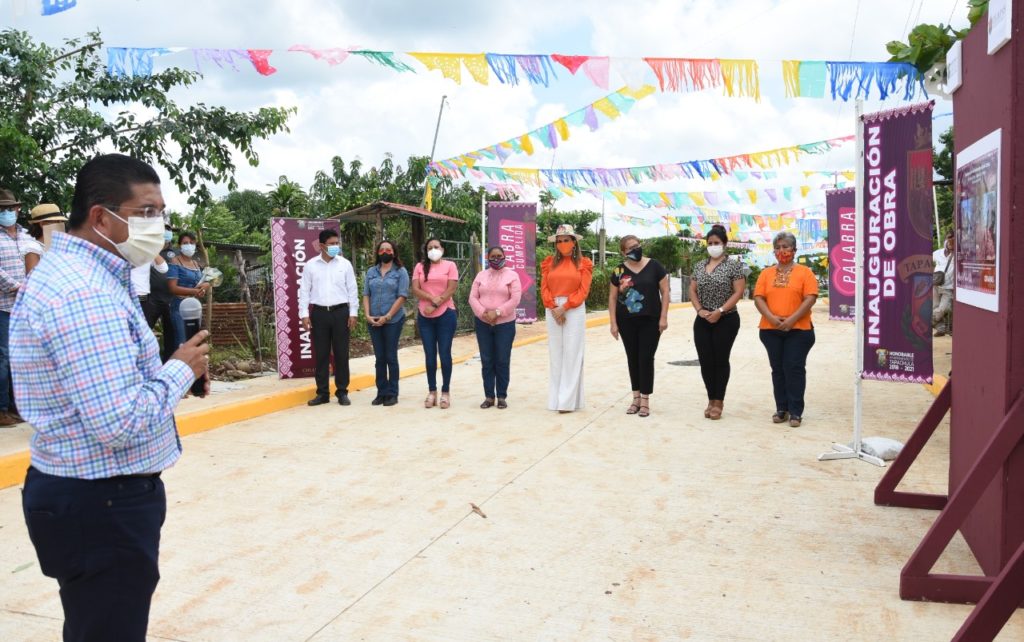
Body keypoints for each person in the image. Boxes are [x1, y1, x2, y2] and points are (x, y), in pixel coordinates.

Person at [10, 154, 210, 641]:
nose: (158, 226)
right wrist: (179, 370)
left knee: (94, 625)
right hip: (102, 503)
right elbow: (119, 423)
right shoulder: (84, 294)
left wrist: (169, 373)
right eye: (146, 212)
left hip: (89, 496)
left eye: (161, 212)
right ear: (101, 218)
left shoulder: (86, 276)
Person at [753, 232, 818, 427]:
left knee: (794, 367)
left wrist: (791, 320)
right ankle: (781, 408)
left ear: (794, 250)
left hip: (799, 329)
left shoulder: (805, 272)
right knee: (778, 369)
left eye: (786, 246)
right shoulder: (766, 273)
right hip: (770, 329)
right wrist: (772, 319)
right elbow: (758, 298)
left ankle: (796, 411)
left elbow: (810, 298)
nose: (782, 251)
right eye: (778, 247)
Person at [689, 225, 746, 420]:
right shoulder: (699, 265)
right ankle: (710, 398)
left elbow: (738, 291)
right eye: (710, 243)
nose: (713, 246)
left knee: (720, 360)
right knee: (706, 361)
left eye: (717, 243)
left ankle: (719, 401)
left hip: (726, 318)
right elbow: (692, 290)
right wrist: (700, 310)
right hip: (703, 318)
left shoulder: (733, 266)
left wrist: (720, 311)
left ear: (725, 244)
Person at [609, 235, 668, 418]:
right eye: (630, 248)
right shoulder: (619, 270)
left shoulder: (655, 266)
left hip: (651, 320)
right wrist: (613, 323)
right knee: (632, 358)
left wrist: (663, 317)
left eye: (637, 245)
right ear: (623, 252)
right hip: (626, 321)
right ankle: (635, 398)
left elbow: (665, 292)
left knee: (646, 358)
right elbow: (612, 297)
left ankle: (645, 400)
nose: (635, 249)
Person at [299, 229, 358, 406]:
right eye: (332, 244)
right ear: (322, 245)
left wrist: (353, 313)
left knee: (341, 353)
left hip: (341, 313)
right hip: (319, 314)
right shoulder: (311, 265)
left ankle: (342, 392)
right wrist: (304, 314)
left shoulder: (345, 264)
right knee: (322, 354)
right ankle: (322, 393)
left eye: (337, 243)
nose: (335, 246)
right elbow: (304, 291)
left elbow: (352, 289)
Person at [540, 224, 593, 413]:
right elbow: (544, 288)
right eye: (559, 241)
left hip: (574, 308)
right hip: (552, 308)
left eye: (566, 240)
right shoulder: (549, 263)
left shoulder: (583, 264)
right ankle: (556, 400)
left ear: (574, 242)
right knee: (556, 353)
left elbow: (583, 290)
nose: (562, 243)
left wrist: (565, 307)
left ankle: (567, 401)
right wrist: (553, 307)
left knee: (572, 352)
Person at [469, 246, 522, 409]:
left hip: (505, 324)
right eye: (493, 256)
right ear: (488, 258)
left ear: (504, 256)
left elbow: (515, 299)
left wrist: (497, 312)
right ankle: (489, 396)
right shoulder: (481, 275)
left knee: (502, 360)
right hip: (483, 323)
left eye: (499, 255)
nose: (496, 259)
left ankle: (501, 396)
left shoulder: (512, 275)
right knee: (487, 360)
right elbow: (472, 297)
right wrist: (484, 313)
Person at [411, 238, 459, 409]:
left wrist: (436, 304)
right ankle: (432, 391)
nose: (433, 250)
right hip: (425, 316)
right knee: (430, 355)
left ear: (442, 249)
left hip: (446, 314)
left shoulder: (450, 266)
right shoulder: (419, 267)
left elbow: (451, 288)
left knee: (444, 353)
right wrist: (431, 299)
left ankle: (445, 392)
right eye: (430, 247)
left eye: (436, 247)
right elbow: (415, 289)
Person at [362, 239, 409, 407]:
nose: (385, 252)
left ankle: (392, 393)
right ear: (377, 252)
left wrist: (388, 316)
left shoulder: (401, 272)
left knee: (390, 356)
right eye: (382, 249)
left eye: (388, 250)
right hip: (373, 320)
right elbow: (366, 294)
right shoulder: (371, 272)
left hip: (393, 320)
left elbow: (402, 296)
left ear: (394, 253)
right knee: (379, 358)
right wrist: (367, 314)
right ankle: (381, 392)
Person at [0, 189, 27, 427]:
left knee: (20, 357)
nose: (7, 212)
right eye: (2, 209)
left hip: (25, 306)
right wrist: (17, 287)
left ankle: (14, 405)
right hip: (4, 305)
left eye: (10, 208)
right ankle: (1, 409)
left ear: (18, 209)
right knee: (3, 357)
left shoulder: (25, 235)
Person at [166, 231, 210, 349]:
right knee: (182, 342)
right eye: (185, 243)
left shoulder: (195, 263)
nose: (189, 245)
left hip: (194, 306)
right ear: (179, 245)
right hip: (179, 306)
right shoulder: (175, 262)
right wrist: (194, 291)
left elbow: (199, 284)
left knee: (194, 341)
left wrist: (204, 287)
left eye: (191, 243)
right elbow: (172, 288)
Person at [145, 226, 179, 362]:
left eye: (168, 231)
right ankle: (148, 361)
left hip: (171, 299)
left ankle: (168, 362)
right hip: (152, 299)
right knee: (145, 331)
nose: (166, 234)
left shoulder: (176, 253)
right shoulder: (149, 250)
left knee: (171, 334)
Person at [23, 203, 68, 274]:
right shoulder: (33, 248)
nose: (60, 224)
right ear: (42, 224)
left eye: (60, 221)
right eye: (57, 221)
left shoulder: (58, 245)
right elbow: (33, 278)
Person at [932, 230, 955, 337]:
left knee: (944, 308)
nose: (950, 241)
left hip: (948, 288)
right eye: (948, 238)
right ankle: (941, 329)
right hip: (935, 285)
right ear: (945, 240)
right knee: (935, 306)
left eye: (953, 239)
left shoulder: (958, 255)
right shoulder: (938, 253)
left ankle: (928, 321)